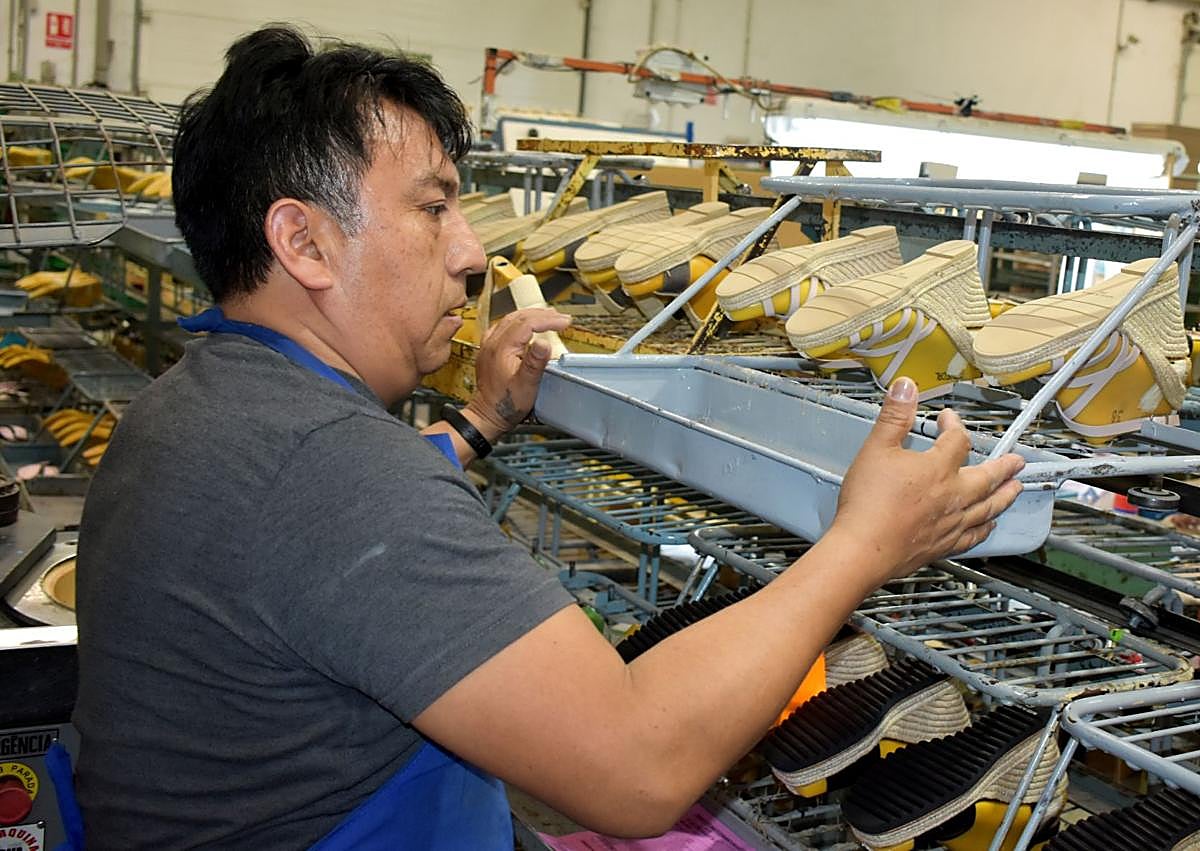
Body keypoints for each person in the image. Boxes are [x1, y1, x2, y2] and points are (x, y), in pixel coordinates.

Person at [72, 24, 1025, 850]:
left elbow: (323, 556)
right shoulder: (330, 466)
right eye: (434, 205)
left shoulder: (196, 404)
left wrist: (482, 420)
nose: (471, 249)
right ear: (305, 242)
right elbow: (639, 766)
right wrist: (863, 545)